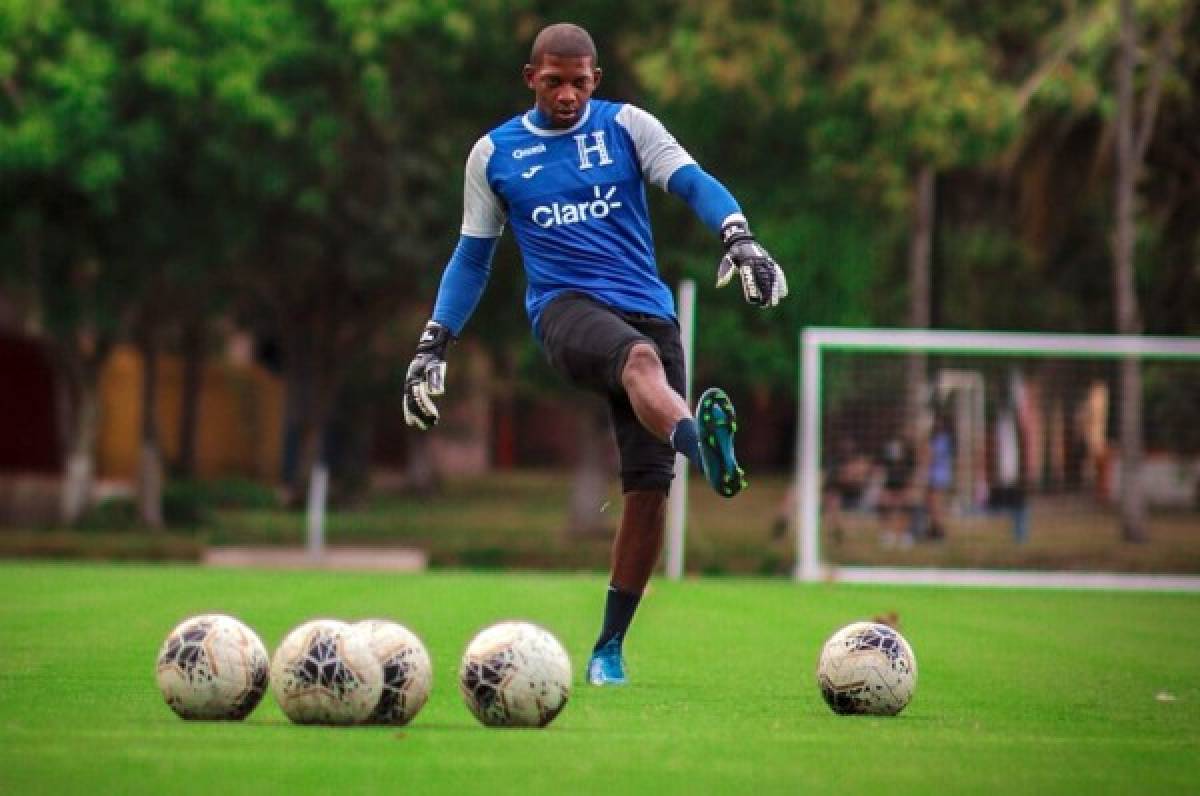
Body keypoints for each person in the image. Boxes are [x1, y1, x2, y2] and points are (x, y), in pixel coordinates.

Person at [401, 23, 787, 686]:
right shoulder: (494, 154)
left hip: (651, 310)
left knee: (647, 493)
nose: (568, 94)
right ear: (531, 78)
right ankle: (704, 446)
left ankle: (609, 647)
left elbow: (692, 182)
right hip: (565, 311)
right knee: (638, 362)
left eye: (581, 81)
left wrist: (739, 238)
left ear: (596, 80)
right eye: (554, 81)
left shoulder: (628, 126)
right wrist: (434, 342)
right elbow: (472, 257)